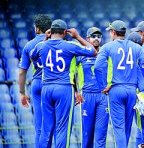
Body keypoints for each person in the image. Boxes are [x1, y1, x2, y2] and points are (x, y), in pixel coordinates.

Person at [94, 20, 144, 148]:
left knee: (119, 128)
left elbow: (97, 67)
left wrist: (103, 86)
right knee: (127, 127)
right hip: (132, 91)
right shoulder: (137, 48)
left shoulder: (107, 47)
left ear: (113, 32)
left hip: (116, 90)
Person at [30, 19, 97, 148]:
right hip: (64, 87)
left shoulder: (41, 46)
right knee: (62, 128)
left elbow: (32, 56)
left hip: (47, 87)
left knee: (46, 127)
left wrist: (45, 38)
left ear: (51, 32)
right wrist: (77, 36)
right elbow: (93, 51)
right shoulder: (69, 45)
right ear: (65, 32)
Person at [18, 14, 52, 147]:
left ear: (37, 29)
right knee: (56, 124)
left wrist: (22, 92)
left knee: (39, 125)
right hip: (52, 83)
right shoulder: (56, 42)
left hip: (37, 83)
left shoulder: (29, 45)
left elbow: (22, 72)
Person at [76, 27, 109, 147]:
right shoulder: (80, 55)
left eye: (99, 36)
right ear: (87, 38)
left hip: (102, 96)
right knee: (87, 135)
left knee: (101, 135)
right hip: (87, 96)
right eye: (93, 36)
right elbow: (71, 73)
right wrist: (76, 92)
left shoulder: (105, 54)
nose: (96, 39)